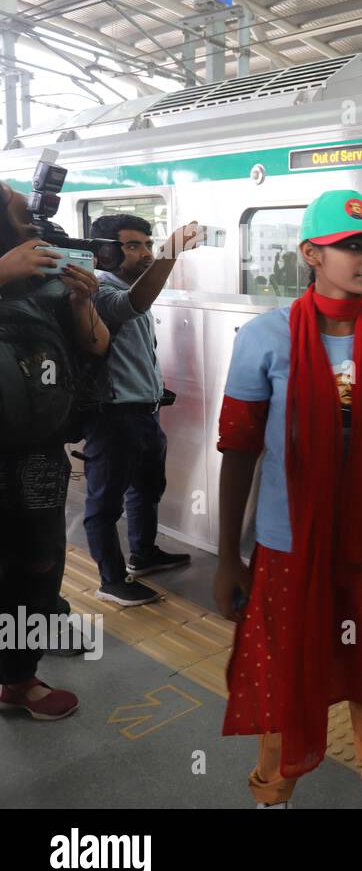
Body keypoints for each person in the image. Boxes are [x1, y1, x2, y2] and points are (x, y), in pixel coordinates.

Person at [213, 190, 362, 809]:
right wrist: (227, 556)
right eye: (352, 247)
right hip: (289, 544)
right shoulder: (266, 338)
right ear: (311, 254)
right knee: (288, 675)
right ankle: (273, 792)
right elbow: (238, 450)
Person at [0, 181, 109, 720]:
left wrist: (81, 299)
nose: (36, 227)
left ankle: (21, 678)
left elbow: (96, 345)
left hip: (38, 458)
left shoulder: (44, 288)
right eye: (23, 219)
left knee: (40, 569)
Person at [82, 214, 195, 606]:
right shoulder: (98, 289)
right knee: (105, 500)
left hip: (144, 411)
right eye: (133, 246)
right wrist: (172, 252)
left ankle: (143, 555)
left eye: (149, 245)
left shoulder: (130, 287)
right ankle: (110, 580)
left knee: (147, 488)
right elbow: (133, 304)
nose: (145, 254)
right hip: (114, 414)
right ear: (105, 252)